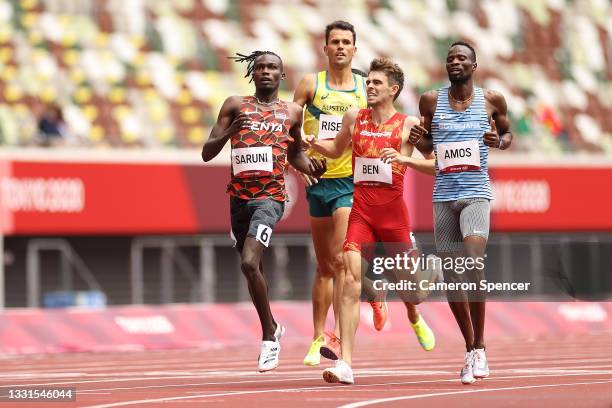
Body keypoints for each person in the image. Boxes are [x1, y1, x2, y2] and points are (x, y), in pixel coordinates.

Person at [306, 57, 436, 384]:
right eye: (369, 81)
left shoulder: (408, 125)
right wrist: (311, 144)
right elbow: (336, 151)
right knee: (348, 278)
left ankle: (430, 269)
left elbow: (436, 164)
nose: (370, 86)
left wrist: (404, 158)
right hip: (361, 211)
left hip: (393, 217)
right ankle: (346, 363)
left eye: (377, 83)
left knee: (415, 290)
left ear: (393, 90)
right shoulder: (354, 117)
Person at [201, 51, 327, 372]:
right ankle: (272, 324)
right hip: (238, 199)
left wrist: (312, 166)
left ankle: (269, 337)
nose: (266, 72)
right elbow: (206, 152)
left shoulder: (293, 112)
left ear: (282, 75)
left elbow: (296, 154)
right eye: (260, 67)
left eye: (272, 67)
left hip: (271, 198)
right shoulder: (234, 105)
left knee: (248, 262)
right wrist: (230, 133)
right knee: (254, 270)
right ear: (252, 74)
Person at [408, 41, 512, 384]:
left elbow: (507, 133)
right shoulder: (431, 101)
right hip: (443, 198)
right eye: (450, 58)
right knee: (453, 277)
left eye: (461, 58)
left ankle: (481, 346)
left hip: (476, 194)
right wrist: (418, 137)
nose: (455, 62)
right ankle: (469, 349)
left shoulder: (492, 99)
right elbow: (426, 146)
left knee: (472, 262)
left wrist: (500, 142)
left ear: (474, 65)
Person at [293, 20, 368, 366]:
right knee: (323, 265)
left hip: (350, 182)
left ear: (355, 49)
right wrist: (300, 164)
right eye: (334, 42)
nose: (340, 47)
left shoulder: (367, 88)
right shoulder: (311, 84)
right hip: (317, 182)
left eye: (346, 42)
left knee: (341, 260)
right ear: (325, 48)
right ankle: (316, 337)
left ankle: (337, 340)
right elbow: (289, 129)